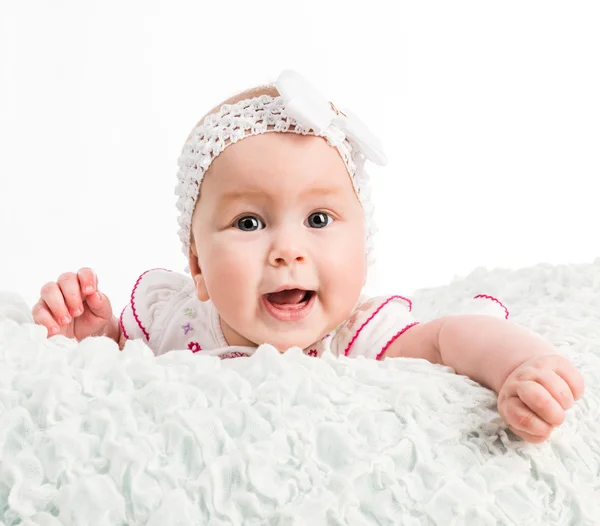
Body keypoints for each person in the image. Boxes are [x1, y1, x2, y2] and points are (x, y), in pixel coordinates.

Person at [32, 70, 584, 443]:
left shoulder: (358, 333)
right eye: (249, 222)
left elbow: (450, 337)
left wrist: (520, 366)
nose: (288, 250)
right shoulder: (172, 318)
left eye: (319, 219)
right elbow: (114, 380)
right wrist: (96, 338)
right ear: (197, 266)